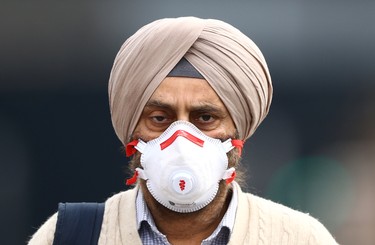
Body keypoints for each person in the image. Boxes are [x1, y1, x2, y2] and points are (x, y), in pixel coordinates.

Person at [28, 16, 337, 244]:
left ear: (237, 132)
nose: (181, 139)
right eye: (159, 119)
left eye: (205, 118)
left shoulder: (298, 238)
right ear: (130, 129)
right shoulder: (70, 236)